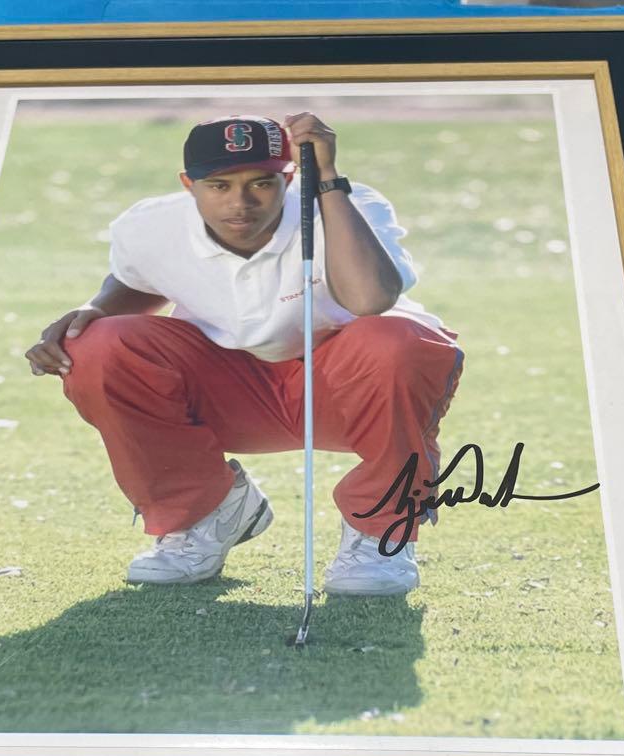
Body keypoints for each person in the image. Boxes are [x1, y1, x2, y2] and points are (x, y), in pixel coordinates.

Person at [25, 112, 463, 596]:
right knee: (96, 346)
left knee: (395, 341)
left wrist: (328, 179)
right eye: (219, 185)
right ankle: (207, 512)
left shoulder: (347, 202)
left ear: (289, 178)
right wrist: (92, 311)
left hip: (347, 390)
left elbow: (369, 299)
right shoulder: (150, 225)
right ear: (188, 184)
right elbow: (136, 281)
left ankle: (381, 530)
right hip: (232, 393)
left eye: (261, 183)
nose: (241, 202)